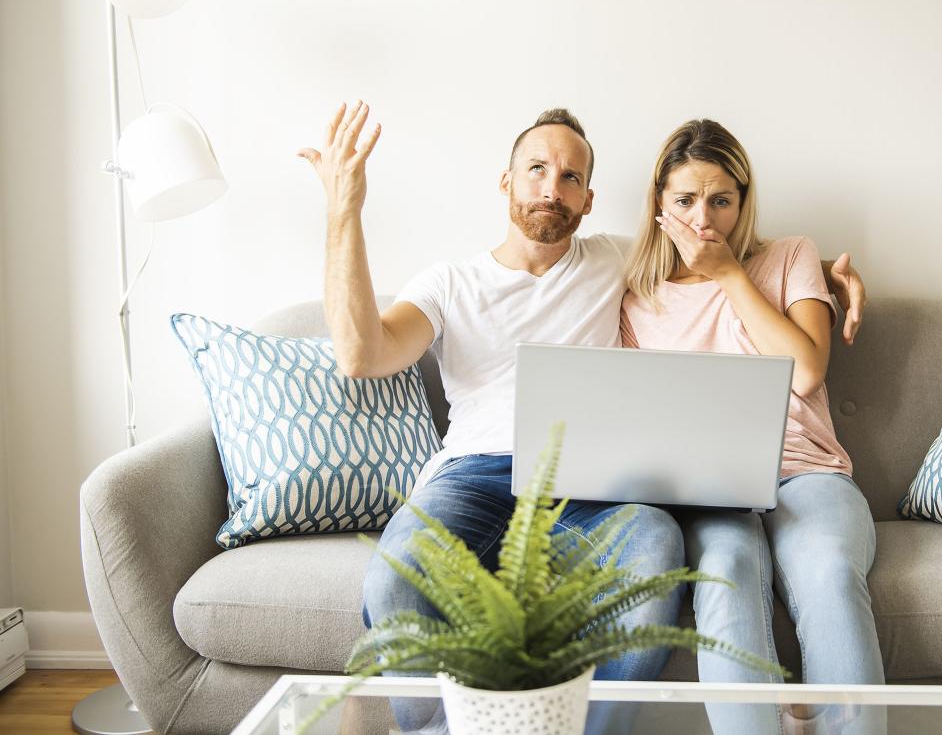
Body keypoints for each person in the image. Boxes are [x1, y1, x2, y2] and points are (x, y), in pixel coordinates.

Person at [296, 103, 868, 734]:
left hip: (592, 487)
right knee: (402, 568)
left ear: (589, 198)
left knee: (656, 548)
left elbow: (715, 261)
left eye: (570, 177)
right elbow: (360, 354)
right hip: (474, 478)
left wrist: (829, 284)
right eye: (536, 168)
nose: (552, 186)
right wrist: (343, 209)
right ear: (505, 181)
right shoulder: (450, 282)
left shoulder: (617, 263)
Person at [620, 119, 884, 735]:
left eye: (721, 201)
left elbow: (807, 372)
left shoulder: (790, 256)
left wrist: (730, 275)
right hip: (710, 487)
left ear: (744, 202)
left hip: (806, 471)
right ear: (660, 202)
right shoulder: (638, 297)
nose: (702, 220)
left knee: (829, 574)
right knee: (725, 573)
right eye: (684, 201)